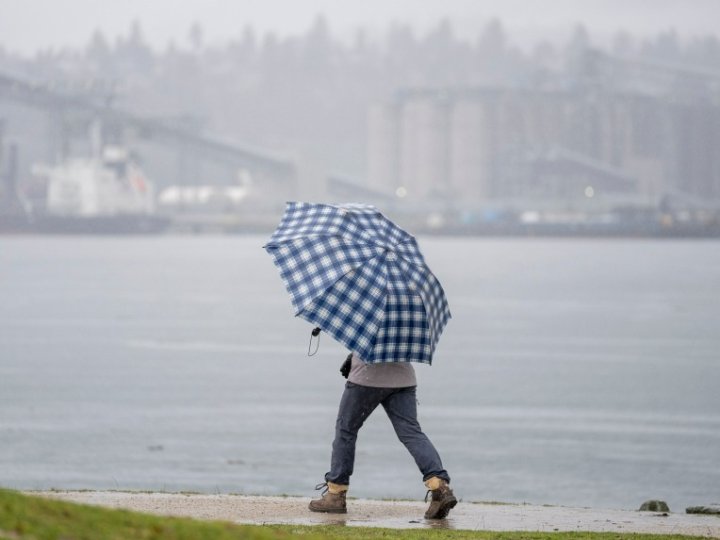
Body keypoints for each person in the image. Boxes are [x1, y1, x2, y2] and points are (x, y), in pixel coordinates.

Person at [309, 353, 456, 519]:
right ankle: (439, 486)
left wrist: (354, 357)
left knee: (346, 431)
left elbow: (367, 338)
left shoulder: (370, 324)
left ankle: (336, 494)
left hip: (365, 378)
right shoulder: (407, 325)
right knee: (411, 432)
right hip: (403, 379)